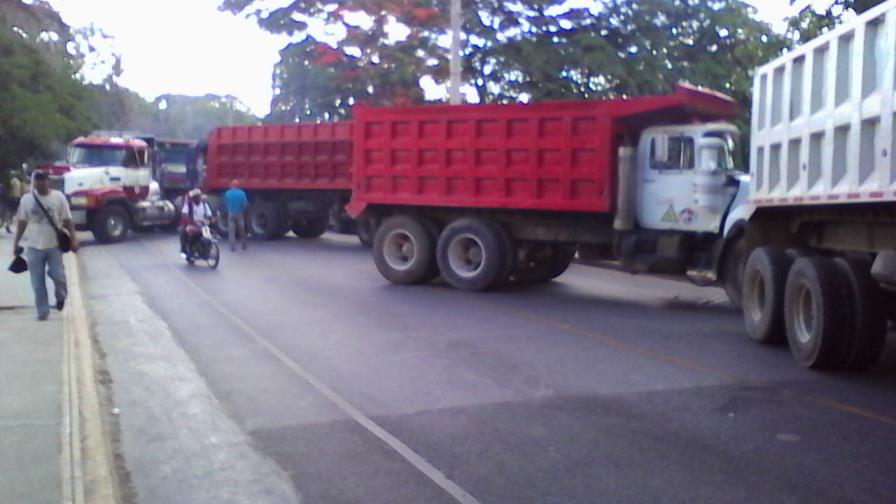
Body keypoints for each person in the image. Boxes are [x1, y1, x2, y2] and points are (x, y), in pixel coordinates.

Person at [12, 170, 79, 321]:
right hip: (34, 246)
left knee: (59, 276)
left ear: (48, 181)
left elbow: (67, 220)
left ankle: (60, 297)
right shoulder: (27, 200)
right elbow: (22, 222)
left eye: (43, 179)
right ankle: (42, 311)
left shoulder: (58, 197)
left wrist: (74, 239)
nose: (40, 183)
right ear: (33, 182)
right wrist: (16, 243)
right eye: (37, 180)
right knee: (37, 282)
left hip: (54, 245)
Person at [180, 188, 215, 257]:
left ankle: (206, 251)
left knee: (210, 235)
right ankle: (189, 250)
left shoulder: (204, 205)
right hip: (192, 224)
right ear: (193, 198)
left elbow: (209, 214)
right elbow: (184, 214)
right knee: (188, 233)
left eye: (199, 197)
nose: (198, 198)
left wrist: (212, 219)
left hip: (202, 224)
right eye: (196, 197)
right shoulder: (189, 204)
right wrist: (190, 220)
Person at [224, 179, 249, 252]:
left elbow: (225, 202)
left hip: (231, 213)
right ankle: (244, 245)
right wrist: (242, 209)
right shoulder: (242, 193)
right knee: (242, 230)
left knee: (231, 231)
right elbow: (245, 204)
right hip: (240, 213)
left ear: (232, 185)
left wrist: (229, 208)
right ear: (238, 186)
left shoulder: (228, 193)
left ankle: (232, 247)